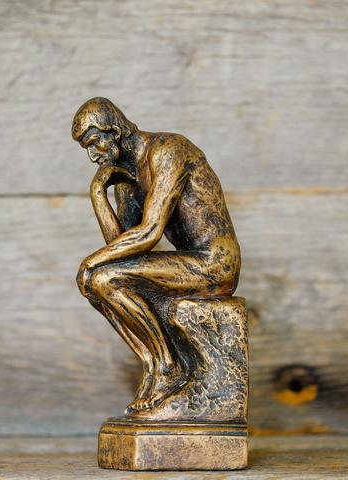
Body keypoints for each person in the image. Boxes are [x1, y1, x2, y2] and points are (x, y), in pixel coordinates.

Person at [73, 97, 241, 415]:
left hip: (214, 263)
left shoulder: (167, 150)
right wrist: (98, 194)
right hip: (187, 262)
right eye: (87, 148)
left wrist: (90, 261)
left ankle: (168, 367)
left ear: (114, 131)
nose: (93, 155)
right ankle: (155, 365)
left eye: (94, 143)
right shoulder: (126, 177)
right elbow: (121, 247)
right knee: (94, 282)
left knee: (102, 275)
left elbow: (149, 233)